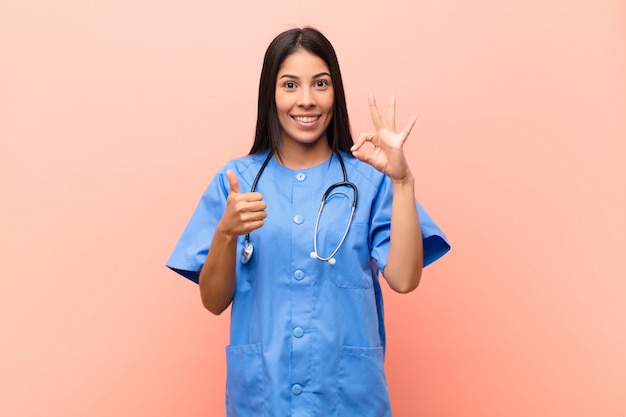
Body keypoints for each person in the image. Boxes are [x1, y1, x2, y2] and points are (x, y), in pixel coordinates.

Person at [167, 26, 450, 417]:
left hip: (348, 397)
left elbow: (404, 279)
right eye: (289, 85)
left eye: (320, 83)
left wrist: (402, 181)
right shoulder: (236, 182)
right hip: (264, 398)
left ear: (336, 92)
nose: (306, 100)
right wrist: (226, 233)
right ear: (271, 93)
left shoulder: (368, 180)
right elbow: (214, 301)